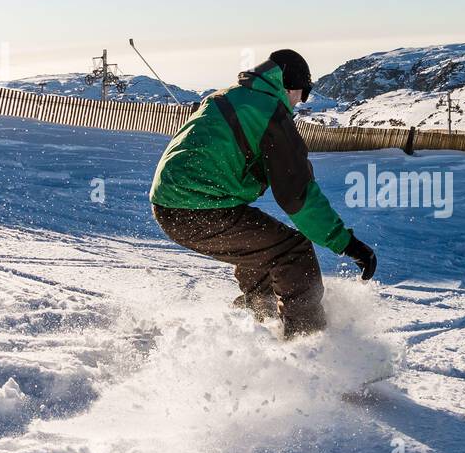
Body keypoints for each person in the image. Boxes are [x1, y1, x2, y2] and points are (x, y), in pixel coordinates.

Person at [149, 49, 376, 337]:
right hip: (197, 207)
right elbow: (297, 196)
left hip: (173, 205)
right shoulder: (270, 112)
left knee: (262, 249)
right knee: (293, 251)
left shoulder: (229, 96)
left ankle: (260, 323)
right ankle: (310, 347)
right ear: (289, 86)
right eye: (302, 94)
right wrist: (347, 244)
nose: (299, 103)